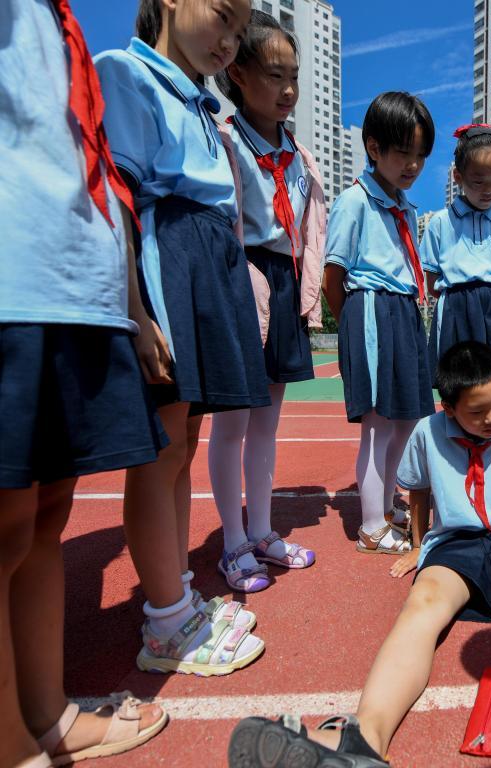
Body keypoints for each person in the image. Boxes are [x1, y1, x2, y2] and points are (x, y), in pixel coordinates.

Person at [227, 342, 491, 766]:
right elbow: (418, 491)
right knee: (422, 604)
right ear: (449, 408)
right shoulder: (427, 432)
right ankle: (364, 736)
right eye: (478, 412)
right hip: (458, 541)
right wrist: (422, 546)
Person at [1, 1, 170, 764]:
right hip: (16, 280)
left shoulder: (55, 19)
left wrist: (130, 306)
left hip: (72, 287)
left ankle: (44, 715)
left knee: (42, 520)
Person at [94, 0, 268, 675]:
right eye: (223, 16)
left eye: (237, 30)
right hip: (168, 258)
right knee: (161, 449)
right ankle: (165, 623)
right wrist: (137, 311)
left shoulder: (201, 103)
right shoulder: (126, 73)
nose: (229, 40)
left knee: (183, 444)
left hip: (205, 259)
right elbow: (119, 196)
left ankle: (178, 600)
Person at [207, 10, 321, 593]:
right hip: (239, 279)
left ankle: (261, 531)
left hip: (283, 278)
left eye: (294, 75)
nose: (288, 89)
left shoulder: (299, 155)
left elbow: (308, 226)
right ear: (238, 73)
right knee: (232, 424)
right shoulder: (224, 141)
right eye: (275, 75)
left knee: (268, 424)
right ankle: (231, 544)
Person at [322, 92, 436, 555]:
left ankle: (388, 503)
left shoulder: (406, 207)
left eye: (420, 155)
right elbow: (334, 274)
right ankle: (371, 525)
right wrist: (352, 326)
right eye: (402, 152)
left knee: (407, 420)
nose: (412, 164)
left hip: (405, 310)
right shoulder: (354, 200)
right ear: (373, 147)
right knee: (377, 424)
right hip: (370, 309)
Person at [421, 124, 491, 391]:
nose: (488, 189)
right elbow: (430, 281)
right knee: (457, 384)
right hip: (456, 309)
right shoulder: (440, 223)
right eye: (478, 181)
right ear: (458, 177)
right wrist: (461, 303)